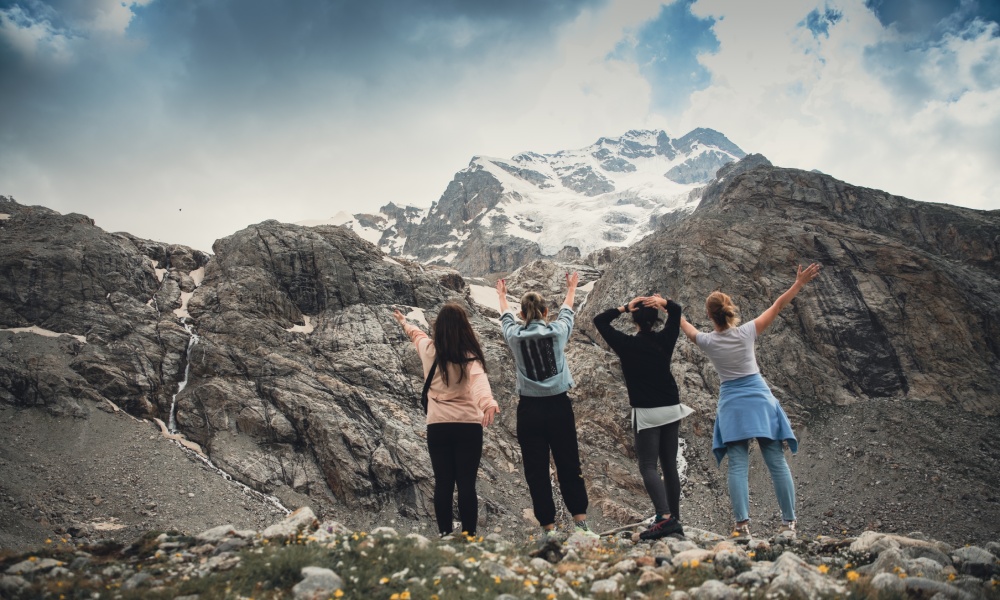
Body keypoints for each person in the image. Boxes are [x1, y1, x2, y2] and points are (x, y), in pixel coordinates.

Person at [674, 263, 821, 541]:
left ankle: (742, 527)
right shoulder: (747, 332)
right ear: (730, 309)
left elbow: (687, 328)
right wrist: (798, 283)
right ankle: (789, 524)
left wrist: (668, 308)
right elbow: (777, 306)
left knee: (738, 466)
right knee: (776, 461)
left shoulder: (707, 342)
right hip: (759, 399)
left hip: (732, 404)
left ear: (709, 315)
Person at [495, 273, 597, 540]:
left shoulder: (515, 336)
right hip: (558, 407)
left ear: (523, 313)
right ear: (544, 311)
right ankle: (581, 525)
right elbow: (567, 310)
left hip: (529, 410)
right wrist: (572, 288)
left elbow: (506, 318)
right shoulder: (557, 332)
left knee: (536, 470)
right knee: (568, 464)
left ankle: (548, 529)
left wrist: (501, 296)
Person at [394, 303, 500, 538]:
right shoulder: (469, 355)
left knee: (443, 482)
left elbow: (416, 335)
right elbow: (479, 382)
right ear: (464, 327)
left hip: (438, 426)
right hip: (467, 427)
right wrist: (487, 403)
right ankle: (469, 536)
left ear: (439, 327)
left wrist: (404, 322)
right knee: (466, 484)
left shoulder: (429, 350)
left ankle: (444, 534)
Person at [593, 294, 693, 540]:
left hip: (647, 412)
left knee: (648, 465)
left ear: (634, 320)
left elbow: (600, 321)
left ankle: (664, 517)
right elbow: (677, 310)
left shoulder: (626, 344)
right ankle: (675, 519)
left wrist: (624, 307)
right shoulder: (665, 339)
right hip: (671, 406)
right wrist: (663, 302)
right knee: (669, 465)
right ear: (657, 319)